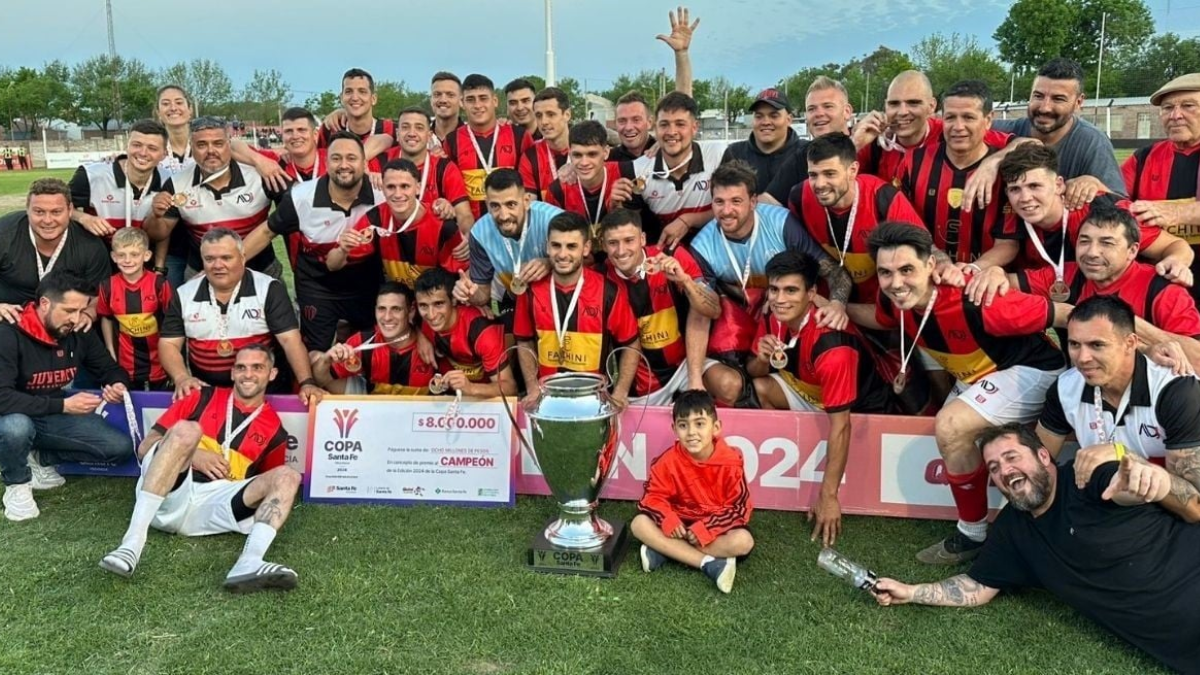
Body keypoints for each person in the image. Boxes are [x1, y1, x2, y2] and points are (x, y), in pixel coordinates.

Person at [873, 422, 1200, 675]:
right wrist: (912, 591)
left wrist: (1141, 481)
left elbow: (1125, 488)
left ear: (1044, 456)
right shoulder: (1012, 530)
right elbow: (978, 585)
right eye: (995, 468)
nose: (1005, 471)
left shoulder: (1087, 478)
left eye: (1011, 457)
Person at [849, 222, 1069, 564]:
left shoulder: (975, 298)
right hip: (980, 377)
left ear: (931, 266)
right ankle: (992, 527)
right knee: (954, 437)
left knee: (950, 425)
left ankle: (974, 534)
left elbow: (1066, 314)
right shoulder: (894, 300)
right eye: (885, 272)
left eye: (907, 270)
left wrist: (1161, 340)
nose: (896, 283)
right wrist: (832, 307)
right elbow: (879, 317)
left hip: (1035, 371)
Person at [98, 344, 303, 593]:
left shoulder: (274, 429)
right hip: (170, 492)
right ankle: (131, 544)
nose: (248, 374)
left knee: (289, 476)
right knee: (188, 430)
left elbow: (267, 489)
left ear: (272, 374)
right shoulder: (200, 396)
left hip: (213, 506)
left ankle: (249, 562)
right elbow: (145, 448)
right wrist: (194, 454)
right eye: (241, 367)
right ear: (232, 373)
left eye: (257, 367)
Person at [749, 251, 898, 545]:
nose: (780, 299)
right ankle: (790, 465)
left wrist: (828, 496)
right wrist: (762, 358)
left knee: (839, 429)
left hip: (858, 407)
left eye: (791, 290)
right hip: (809, 393)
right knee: (760, 386)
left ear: (812, 294)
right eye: (775, 289)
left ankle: (826, 478)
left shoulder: (832, 345)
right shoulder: (772, 314)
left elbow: (841, 426)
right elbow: (754, 371)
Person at [687, 161, 851, 407]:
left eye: (736, 201)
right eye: (719, 202)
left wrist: (838, 304)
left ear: (753, 202)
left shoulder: (780, 223)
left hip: (784, 316)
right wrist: (694, 381)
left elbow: (835, 273)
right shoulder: (702, 246)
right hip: (739, 319)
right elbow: (700, 314)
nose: (726, 210)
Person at [1035, 295, 1200, 521]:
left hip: (1169, 514)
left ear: (1130, 343)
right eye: (1074, 344)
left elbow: (1194, 507)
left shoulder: (1176, 390)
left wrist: (1121, 454)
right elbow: (1039, 466)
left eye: (1097, 345)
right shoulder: (1065, 387)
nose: (1082, 358)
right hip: (1109, 503)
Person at [0, 271, 132, 521]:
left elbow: (110, 369)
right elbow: (2, 398)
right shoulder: (8, 332)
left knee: (119, 447)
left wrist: (117, 384)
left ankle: (38, 457)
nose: (76, 318)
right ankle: (17, 484)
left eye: (81, 310)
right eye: (69, 310)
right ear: (45, 304)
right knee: (16, 427)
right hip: (10, 414)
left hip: (48, 413)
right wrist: (64, 405)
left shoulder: (79, 330)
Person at [969, 143, 1192, 284]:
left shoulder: (1104, 210)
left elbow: (1177, 246)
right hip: (1066, 299)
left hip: (1119, 305)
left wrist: (1176, 262)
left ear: (1058, 185)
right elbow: (1006, 246)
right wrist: (975, 269)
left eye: (1035, 186)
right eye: (1015, 189)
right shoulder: (1015, 211)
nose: (1025, 198)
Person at [241, 132, 384, 353]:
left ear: (364, 162)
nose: (343, 165)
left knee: (370, 350)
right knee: (316, 351)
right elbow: (266, 232)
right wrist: (234, 262)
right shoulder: (301, 197)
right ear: (326, 162)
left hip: (367, 284)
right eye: (336, 158)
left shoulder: (381, 194)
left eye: (351, 158)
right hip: (317, 285)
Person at [978, 204, 1200, 344]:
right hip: (1086, 383)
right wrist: (996, 272)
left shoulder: (1162, 288)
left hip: (1155, 393)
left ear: (1132, 251)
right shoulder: (1066, 276)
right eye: (1085, 241)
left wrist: (1129, 325)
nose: (1092, 253)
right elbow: (1006, 283)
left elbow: (1197, 360)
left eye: (1106, 243)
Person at [158, 228, 323, 403]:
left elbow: (290, 341)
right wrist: (181, 378)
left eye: (226, 258)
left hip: (264, 393)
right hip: (208, 393)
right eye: (210, 259)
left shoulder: (268, 289)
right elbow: (169, 343)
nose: (218, 265)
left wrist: (306, 382)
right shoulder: (184, 294)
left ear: (243, 258)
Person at [513, 212, 641, 408]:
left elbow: (631, 344)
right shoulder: (530, 290)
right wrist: (531, 387)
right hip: (547, 398)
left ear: (586, 248)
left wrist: (621, 392)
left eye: (571, 246)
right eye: (556, 245)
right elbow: (524, 341)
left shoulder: (608, 291)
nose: (563, 254)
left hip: (592, 399)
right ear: (547, 246)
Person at [631, 389, 753, 594]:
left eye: (699, 423)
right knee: (638, 524)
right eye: (683, 425)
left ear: (716, 427)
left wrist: (706, 529)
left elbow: (740, 509)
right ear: (674, 429)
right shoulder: (667, 461)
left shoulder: (731, 462)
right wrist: (668, 519)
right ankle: (710, 564)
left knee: (743, 541)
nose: (691, 433)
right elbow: (651, 498)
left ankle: (667, 551)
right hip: (678, 525)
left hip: (713, 529)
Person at [898, 80, 1026, 265]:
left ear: (988, 120)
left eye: (968, 117)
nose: (958, 127)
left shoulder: (1007, 169)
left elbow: (1008, 243)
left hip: (983, 279)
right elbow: (903, 223)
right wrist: (937, 259)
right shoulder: (913, 162)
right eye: (950, 117)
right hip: (929, 275)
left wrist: (971, 270)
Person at [786, 132, 924, 303]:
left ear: (852, 170)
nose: (819, 184)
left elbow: (925, 249)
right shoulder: (799, 197)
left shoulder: (882, 197)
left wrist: (947, 267)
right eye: (813, 175)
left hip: (880, 305)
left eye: (830, 174)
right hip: (826, 303)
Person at [600, 208, 720, 404]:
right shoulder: (599, 277)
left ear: (643, 239)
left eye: (629, 240)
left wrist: (685, 281)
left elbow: (713, 310)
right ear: (603, 245)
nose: (621, 251)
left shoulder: (672, 255)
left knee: (727, 385)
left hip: (684, 367)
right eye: (613, 243)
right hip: (640, 382)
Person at [146, 117, 286, 279]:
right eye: (201, 145)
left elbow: (291, 216)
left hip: (261, 271)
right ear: (192, 148)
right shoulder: (176, 184)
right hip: (202, 274)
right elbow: (158, 234)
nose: (211, 150)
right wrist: (156, 215)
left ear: (229, 145)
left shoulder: (260, 175)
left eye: (218, 143)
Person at [990, 58, 1125, 200]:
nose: (1044, 107)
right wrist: (992, 160)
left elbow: (1120, 206)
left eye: (1058, 99)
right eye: (1038, 96)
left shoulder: (1093, 142)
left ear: (1078, 102)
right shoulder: (1001, 131)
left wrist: (1095, 185)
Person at [610, 92, 727, 249]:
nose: (671, 131)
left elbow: (738, 209)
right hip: (665, 255)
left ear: (694, 127)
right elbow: (630, 228)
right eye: (664, 124)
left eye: (680, 124)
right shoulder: (636, 169)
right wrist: (615, 207)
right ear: (656, 127)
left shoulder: (719, 154)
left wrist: (688, 220)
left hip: (720, 250)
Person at [1122, 72, 1200, 303]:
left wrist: (1174, 213)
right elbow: (1113, 201)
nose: (1176, 115)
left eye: (1188, 106)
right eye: (1168, 108)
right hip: (1158, 281)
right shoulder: (1143, 158)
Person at [453, 169, 561, 328]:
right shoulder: (479, 234)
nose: (503, 215)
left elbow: (588, 260)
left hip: (561, 302)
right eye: (495, 206)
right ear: (487, 205)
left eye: (511, 204)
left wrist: (550, 263)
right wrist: (469, 293)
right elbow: (482, 295)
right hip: (520, 307)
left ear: (526, 200)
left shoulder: (553, 220)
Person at [346, 157, 466, 289]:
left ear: (418, 188)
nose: (398, 194)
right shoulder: (374, 219)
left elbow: (463, 274)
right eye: (391, 187)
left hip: (434, 303)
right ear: (383, 189)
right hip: (394, 303)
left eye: (405, 186)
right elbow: (347, 257)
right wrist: (343, 247)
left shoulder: (443, 225)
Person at [68, 119, 170, 272]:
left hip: (142, 263)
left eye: (152, 148)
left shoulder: (169, 181)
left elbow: (165, 230)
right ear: (127, 147)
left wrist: (159, 269)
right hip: (98, 261)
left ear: (164, 154)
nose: (143, 153)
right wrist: (83, 218)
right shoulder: (91, 175)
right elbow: (59, 206)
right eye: (137, 145)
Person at [0, 178, 111, 316]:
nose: (47, 220)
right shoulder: (4, 234)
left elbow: (100, 295)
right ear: (27, 209)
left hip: (68, 321)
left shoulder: (90, 244)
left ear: (70, 210)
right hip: (12, 318)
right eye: (39, 212)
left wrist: (88, 315)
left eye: (56, 212)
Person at [608, 6, 699, 163]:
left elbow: (682, 106)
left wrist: (681, 54)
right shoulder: (609, 159)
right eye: (622, 121)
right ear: (615, 124)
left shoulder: (665, 149)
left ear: (650, 122)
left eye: (636, 119)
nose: (629, 127)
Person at [311, 282, 435, 395]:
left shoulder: (431, 344)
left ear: (411, 311)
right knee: (316, 358)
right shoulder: (362, 342)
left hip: (422, 416)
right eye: (382, 309)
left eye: (396, 309)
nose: (387, 317)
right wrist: (326, 359)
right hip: (374, 415)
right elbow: (322, 380)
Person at [442, 74, 534, 220]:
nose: (477, 105)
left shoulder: (519, 136)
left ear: (495, 101)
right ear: (462, 103)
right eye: (470, 100)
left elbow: (531, 183)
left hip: (511, 222)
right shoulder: (451, 141)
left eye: (483, 98)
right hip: (472, 226)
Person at [414, 268, 516, 398]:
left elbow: (510, 388)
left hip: (487, 402)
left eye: (438, 304)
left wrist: (471, 388)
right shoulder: (424, 325)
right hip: (454, 402)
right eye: (423, 306)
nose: (431, 315)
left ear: (454, 300)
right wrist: (419, 335)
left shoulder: (481, 331)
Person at [96, 228, 173, 390]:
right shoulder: (107, 286)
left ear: (147, 256)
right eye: (122, 255)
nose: (128, 260)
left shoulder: (159, 284)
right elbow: (106, 318)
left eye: (134, 254)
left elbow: (172, 322)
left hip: (159, 362)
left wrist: (172, 357)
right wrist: (111, 352)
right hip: (126, 364)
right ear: (113, 257)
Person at [378, 106, 472, 235]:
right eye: (405, 127)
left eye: (419, 128)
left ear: (429, 136)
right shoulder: (380, 161)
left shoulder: (444, 167)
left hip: (431, 245)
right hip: (388, 243)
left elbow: (464, 214)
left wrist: (465, 240)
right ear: (398, 134)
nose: (412, 133)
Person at [760, 77, 854, 206]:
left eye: (828, 106)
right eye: (812, 109)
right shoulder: (802, 155)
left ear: (847, 111)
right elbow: (769, 200)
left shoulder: (871, 146)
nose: (819, 113)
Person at [545, 121, 642, 238]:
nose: (584, 162)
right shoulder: (557, 191)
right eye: (577, 155)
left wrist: (619, 208)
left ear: (606, 152)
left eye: (592, 154)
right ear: (570, 154)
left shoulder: (627, 173)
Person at [720, 88, 801, 191]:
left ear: (789, 120)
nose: (766, 122)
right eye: (759, 116)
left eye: (774, 116)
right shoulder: (735, 153)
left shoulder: (805, 153)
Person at [318, 68, 396, 148]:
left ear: (373, 99)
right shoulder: (330, 129)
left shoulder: (392, 130)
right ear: (341, 98)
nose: (355, 98)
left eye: (362, 92)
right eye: (348, 91)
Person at [518, 87, 572, 202]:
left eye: (550, 114)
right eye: (538, 115)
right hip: (546, 220)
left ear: (567, 115)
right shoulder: (530, 157)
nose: (544, 122)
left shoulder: (587, 150)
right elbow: (530, 206)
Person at [430, 71, 464, 143]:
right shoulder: (420, 137)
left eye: (450, 95)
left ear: (461, 101)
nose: (443, 100)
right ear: (431, 100)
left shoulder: (471, 138)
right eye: (437, 94)